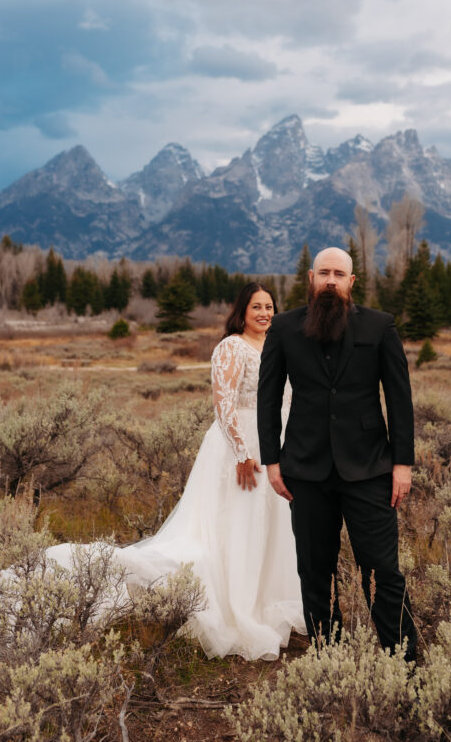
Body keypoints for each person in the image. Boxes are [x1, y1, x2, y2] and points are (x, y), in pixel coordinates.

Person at [40, 283, 305, 661]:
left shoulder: (278, 346)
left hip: (275, 443)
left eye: (269, 307)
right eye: (256, 307)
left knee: (272, 527)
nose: (264, 313)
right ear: (241, 312)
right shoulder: (231, 347)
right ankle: (235, 608)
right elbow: (224, 402)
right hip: (242, 448)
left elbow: (289, 398)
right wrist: (242, 453)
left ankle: (265, 602)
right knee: (239, 525)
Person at [257, 247, 417, 661]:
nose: (331, 280)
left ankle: (404, 663)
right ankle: (331, 660)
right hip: (305, 471)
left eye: (339, 274)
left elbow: (399, 399)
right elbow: (267, 398)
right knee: (314, 572)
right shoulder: (285, 328)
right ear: (310, 279)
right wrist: (271, 461)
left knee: (383, 572)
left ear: (351, 282)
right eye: (324, 272)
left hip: (370, 470)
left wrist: (402, 464)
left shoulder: (380, 326)